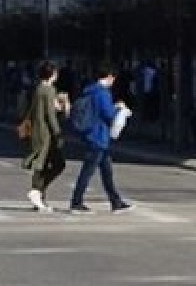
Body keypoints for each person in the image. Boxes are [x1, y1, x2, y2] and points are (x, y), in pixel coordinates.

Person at [69, 66, 133, 214]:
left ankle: (115, 201)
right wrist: (119, 108)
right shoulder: (103, 93)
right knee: (88, 171)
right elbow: (108, 115)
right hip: (98, 136)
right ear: (110, 76)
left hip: (95, 136)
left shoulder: (91, 90)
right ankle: (76, 202)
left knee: (106, 172)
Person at [21, 61, 66, 212]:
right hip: (45, 132)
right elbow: (50, 115)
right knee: (51, 164)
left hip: (37, 130)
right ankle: (37, 192)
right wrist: (58, 133)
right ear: (52, 74)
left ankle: (39, 195)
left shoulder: (39, 89)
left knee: (42, 164)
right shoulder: (48, 90)